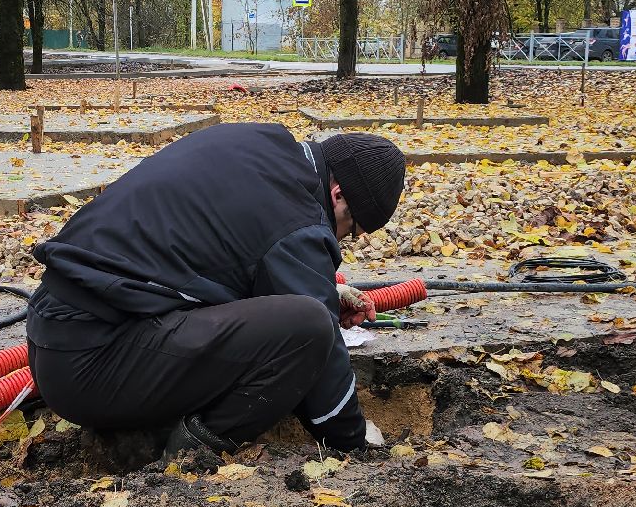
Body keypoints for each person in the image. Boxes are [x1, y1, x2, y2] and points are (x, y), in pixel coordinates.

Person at [26, 122, 406, 457]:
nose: (340, 240)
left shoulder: (259, 144)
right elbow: (316, 345)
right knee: (311, 328)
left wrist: (325, 291)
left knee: (309, 317)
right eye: (349, 231)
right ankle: (189, 452)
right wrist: (353, 439)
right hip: (93, 368)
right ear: (338, 195)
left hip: (54, 339)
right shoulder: (299, 220)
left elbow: (221, 257)